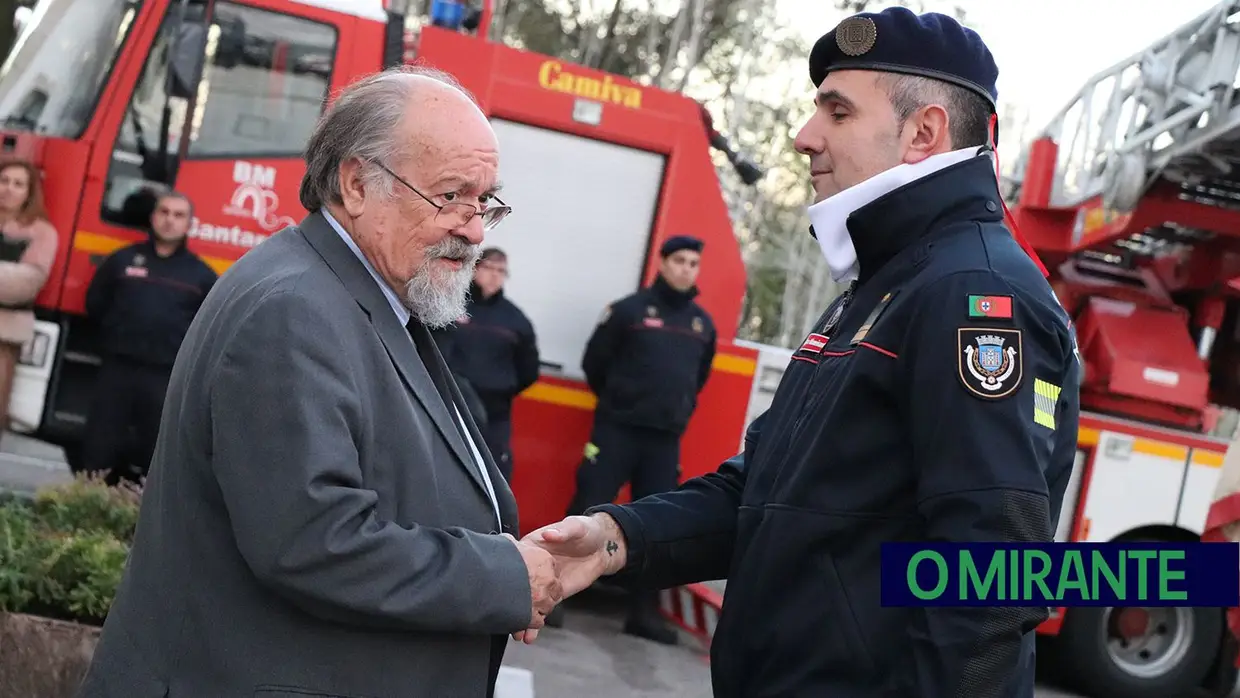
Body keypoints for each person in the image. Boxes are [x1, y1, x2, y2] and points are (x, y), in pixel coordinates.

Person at [520, 8, 1082, 697]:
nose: (803, 137)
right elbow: (763, 493)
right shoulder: (886, 284)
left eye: (837, 112)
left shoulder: (972, 292)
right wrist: (614, 538)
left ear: (924, 133)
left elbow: (992, 570)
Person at [77, 65, 560, 698]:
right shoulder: (294, 309)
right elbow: (313, 541)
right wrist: (502, 578)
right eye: (450, 196)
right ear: (358, 183)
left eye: (485, 202)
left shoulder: (366, 292)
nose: (473, 229)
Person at [559, 234, 717, 645]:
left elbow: (698, 378)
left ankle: (643, 613)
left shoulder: (702, 325)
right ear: (662, 263)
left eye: (693, 263)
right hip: (617, 432)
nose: (686, 268)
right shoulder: (627, 311)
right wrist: (621, 402)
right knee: (586, 507)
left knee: (661, 525)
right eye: (679, 260)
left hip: (664, 441)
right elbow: (596, 363)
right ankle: (553, 593)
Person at [78, 191, 217, 485]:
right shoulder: (122, 260)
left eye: (178, 215)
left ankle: (139, 519)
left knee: (154, 451)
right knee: (98, 446)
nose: (169, 221)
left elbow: (208, 329)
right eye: (164, 212)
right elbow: (96, 303)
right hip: (118, 369)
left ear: (189, 224)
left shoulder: (202, 276)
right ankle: (85, 511)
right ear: (153, 218)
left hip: (164, 376)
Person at [434, 246, 539, 482]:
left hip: (494, 415)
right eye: (489, 268)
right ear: (473, 269)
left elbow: (528, 370)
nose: (495, 275)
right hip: (446, 407)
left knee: (493, 478)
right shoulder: (446, 304)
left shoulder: (516, 320)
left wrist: (501, 390)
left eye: (501, 271)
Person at [0, 159, 57, 432]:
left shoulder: (42, 233)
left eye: (18, 184)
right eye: (4, 181)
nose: (9, 189)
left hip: (4, 337)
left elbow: (27, 282)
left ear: (29, 191)